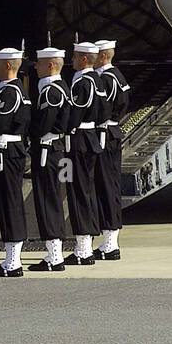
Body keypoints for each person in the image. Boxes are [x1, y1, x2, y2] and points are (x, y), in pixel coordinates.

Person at [28, 48, 70, 272]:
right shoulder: (58, 87)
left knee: (47, 200)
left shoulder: (51, 91)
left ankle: (55, 255)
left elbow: (43, 123)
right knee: (50, 198)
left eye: (40, 63)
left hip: (47, 149)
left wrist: (29, 135)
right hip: (54, 147)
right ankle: (54, 252)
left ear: (52, 65)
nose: (36, 67)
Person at [0, 48, 31, 277]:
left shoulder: (10, 92)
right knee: (8, 203)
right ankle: (11, 258)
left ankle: (13, 260)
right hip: (9, 150)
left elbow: (0, 122)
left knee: (10, 203)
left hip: (8, 151)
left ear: (8, 66)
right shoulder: (10, 89)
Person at [64, 42, 104, 266]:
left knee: (79, 191)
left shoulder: (82, 81)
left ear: (84, 59)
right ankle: (85, 244)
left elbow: (76, 111)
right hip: (91, 138)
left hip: (79, 139)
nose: (72, 60)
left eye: (75, 56)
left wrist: (66, 128)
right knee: (86, 190)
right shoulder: (97, 80)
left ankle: (83, 249)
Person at [93, 39, 130, 260]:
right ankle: (109, 240)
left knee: (107, 186)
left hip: (104, 134)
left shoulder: (105, 79)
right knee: (109, 185)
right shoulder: (118, 76)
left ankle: (110, 242)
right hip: (112, 132)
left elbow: (100, 108)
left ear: (103, 56)